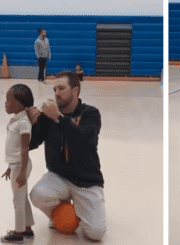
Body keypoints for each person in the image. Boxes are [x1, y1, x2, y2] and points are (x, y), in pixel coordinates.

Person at [27, 71, 106, 241]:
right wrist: (32, 125)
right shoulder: (48, 117)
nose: (56, 93)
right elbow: (32, 144)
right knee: (37, 194)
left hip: (87, 181)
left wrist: (58, 118)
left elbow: (85, 140)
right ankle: (62, 210)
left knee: (96, 233)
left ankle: (81, 207)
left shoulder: (90, 113)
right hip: (59, 176)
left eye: (61, 88)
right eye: (54, 89)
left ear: (75, 90)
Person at [1, 84, 35, 244]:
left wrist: (21, 171)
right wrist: (10, 167)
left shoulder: (23, 122)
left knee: (17, 200)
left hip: (20, 166)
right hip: (16, 165)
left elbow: (24, 148)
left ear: (20, 104)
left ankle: (18, 233)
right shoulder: (16, 120)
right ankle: (27, 229)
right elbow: (15, 149)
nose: (5, 103)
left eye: (8, 100)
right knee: (23, 198)